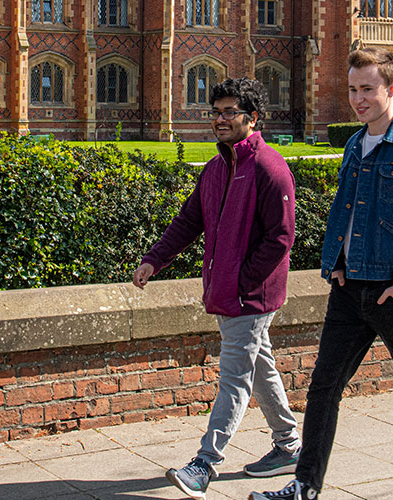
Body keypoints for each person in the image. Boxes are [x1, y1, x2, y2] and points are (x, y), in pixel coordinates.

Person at [251, 47, 393, 500]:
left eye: (367, 89)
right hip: (349, 288)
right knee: (323, 387)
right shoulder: (355, 142)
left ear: (392, 89)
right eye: (352, 90)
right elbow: (344, 212)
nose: (358, 99)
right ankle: (305, 484)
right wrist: (334, 264)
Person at [132, 77, 302, 500]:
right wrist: (155, 259)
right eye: (216, 112)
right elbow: (190, 221)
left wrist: (244, 281)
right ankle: (289, 444)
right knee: (258, 365)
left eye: (230, 112)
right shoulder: (215, 169)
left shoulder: (269, 167)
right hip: (228, 290)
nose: (220, 120)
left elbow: (281, 238)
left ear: (253, 118)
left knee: (234, 377)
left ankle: (205, 464)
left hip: (252, 296)